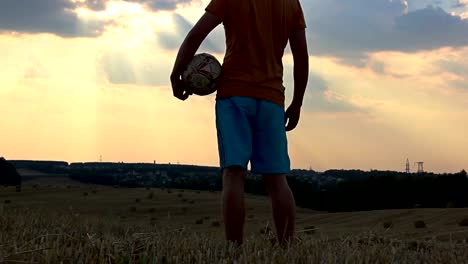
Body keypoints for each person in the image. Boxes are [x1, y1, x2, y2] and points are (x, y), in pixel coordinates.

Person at [170, 0, 308, 245]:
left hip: (234, 96)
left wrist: (176, 74)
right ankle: (287, 249)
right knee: (277, 179)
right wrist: (297, 102)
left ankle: (235, 251)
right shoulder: (291, 3)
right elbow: (301, 57)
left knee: (234, 174)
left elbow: (196, 35)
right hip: (272, 99)